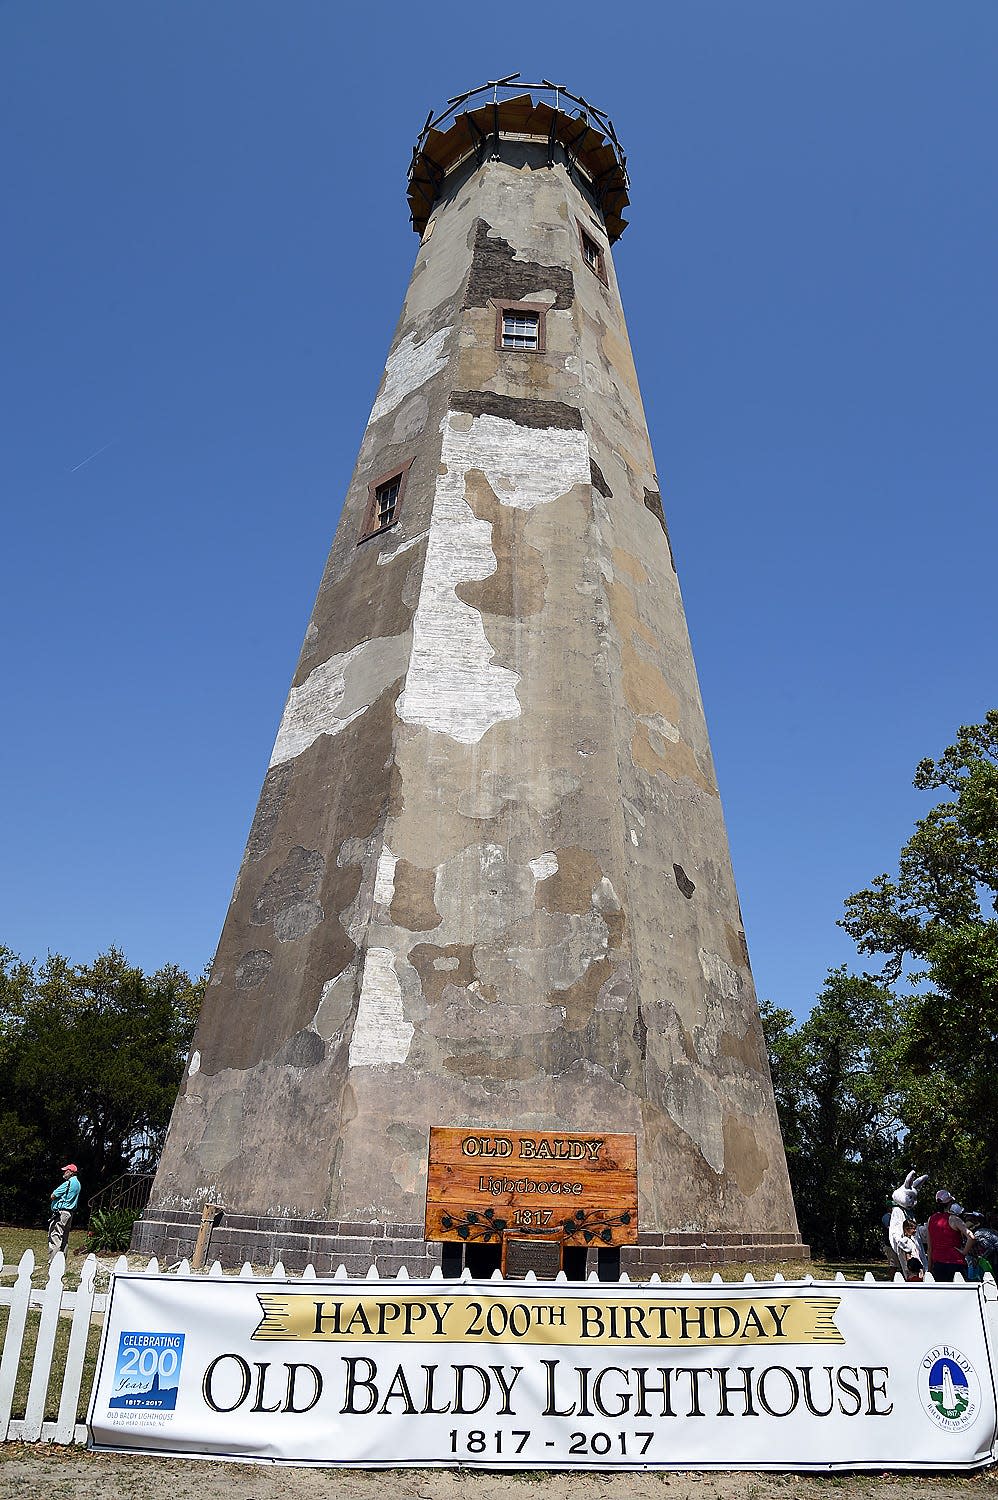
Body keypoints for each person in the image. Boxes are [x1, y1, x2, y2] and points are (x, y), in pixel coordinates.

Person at [927, 1190, 970, 1281]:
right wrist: (964, 1252)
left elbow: (930, 1247)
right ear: (950, 1203)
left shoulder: (931, 1219)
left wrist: (929, 1268)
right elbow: (972, 1237)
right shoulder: (954, 1219)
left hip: (938, 1264)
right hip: (956, 1262)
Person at [47, 1162, 80, 1264]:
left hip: (61, 1213)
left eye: (66, 1171)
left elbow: (53, 1195)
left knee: (55, 1236)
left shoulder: (68, 1183)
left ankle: (53, 1262)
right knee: (64, 1238)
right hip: (70, 1213)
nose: (64, 1172)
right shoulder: (78, 1184)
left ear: (70, 1172)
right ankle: (62, 1261)